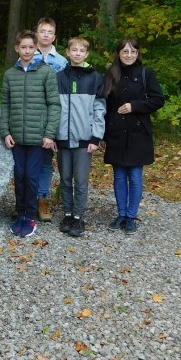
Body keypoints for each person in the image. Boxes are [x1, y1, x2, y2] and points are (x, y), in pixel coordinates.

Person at [102, 39, 165, 235]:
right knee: (119, 175)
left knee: (135, 176)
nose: (129, 55)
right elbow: (104, 105)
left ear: (138, 53)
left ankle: (131, 216)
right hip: (116, 131)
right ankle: (121, 214)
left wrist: (135, 106)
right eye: (125, 51)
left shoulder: (147, 73)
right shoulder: (111, 74)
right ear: (118, 53)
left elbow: (158, 99)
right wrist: (103, 133)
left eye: (133, 51)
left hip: (138, 132)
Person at [0, 29, 59, 238]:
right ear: (17, 48)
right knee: (20, 176)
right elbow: (5, 105)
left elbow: (54, 104)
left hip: (37, 138)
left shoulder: (46, 72)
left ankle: (31, 216)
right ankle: (20, 214)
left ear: (36, 49)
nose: (27, 51)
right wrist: (5, 132)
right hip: (16, 137)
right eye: (23, 47)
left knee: (32, 177)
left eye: (30, 47)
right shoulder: (10, 74)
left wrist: (49, 134)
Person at [54, 37, 105, 238]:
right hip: (63, 139)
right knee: (65, 179)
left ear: (86, 54)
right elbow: (54, 107)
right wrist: (52, 135)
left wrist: (96, 137)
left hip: (84, 139)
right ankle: (67, 213)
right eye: (73, 50)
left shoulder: (95, 78)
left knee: (80, 180)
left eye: (81, 51)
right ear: (67, 52)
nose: (77, 53)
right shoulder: (59, 77)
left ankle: (79, 216)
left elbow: (100, 108)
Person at [34, 17, 68, 222]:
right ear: (36, 33)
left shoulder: (62, 62)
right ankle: (27, 201)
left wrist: (56, 128)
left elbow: (63, 97)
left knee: (46, 162)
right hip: (30, 117)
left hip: (51, 118)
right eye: (42, 31)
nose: (45, 35)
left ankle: (42, 200)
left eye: (49, 32)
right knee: (29, 161)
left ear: (54, 36)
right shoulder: (27, 55)